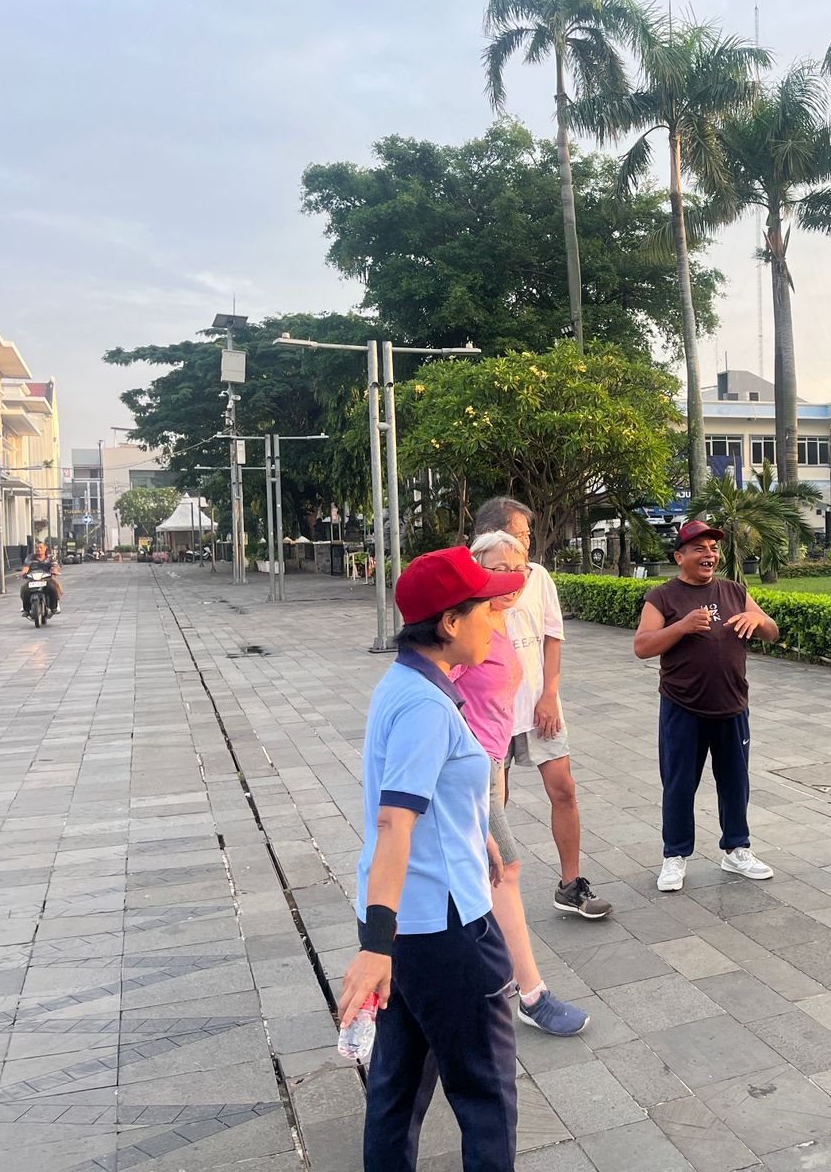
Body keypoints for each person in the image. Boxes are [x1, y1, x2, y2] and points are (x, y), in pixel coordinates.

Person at [337, 545, 528, 1172]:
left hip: (410, 926)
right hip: (446, 931)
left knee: (396, 1090)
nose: (496, 622)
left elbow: (429, 794)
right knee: (486, 1095)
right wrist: (375, 948)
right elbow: (395, 820)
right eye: (486, 610)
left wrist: (478, 835)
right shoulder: (425, 705)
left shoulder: (408, 682)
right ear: (449, 622)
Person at [450, 530, 590, 1037]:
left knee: (472, 874)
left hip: (484, 765)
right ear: (475, 568)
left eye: (521, 568)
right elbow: (432, 683)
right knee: (503, 868)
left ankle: (471, 976)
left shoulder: (499, 618)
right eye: (501, 568)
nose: (514, 578)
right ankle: (530, 992)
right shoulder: (465, 626)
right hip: (465, 769)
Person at [473, 497, 611, 921]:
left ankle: (571, 885)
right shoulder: (472, 582)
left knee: (563, 789)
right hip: (488, 715)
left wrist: (549, 694)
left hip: (538, 708)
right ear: (491, 536)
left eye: (528, 535)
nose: (527, 541)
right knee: (493, 805)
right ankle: (483, 895)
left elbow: (552, 638)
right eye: (520, 533)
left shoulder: (537, 577)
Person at [633, 519, 780, 892]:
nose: (709, 554)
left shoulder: (734, 590)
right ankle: (675, 855)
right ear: (679, 557)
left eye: (713, 548)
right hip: (683, 706)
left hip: (732, 704)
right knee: (679, 784)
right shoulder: (662, 596)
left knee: (735, 783)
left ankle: (737, 849)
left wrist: (758, 618)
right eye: (699, 548)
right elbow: (642, 646)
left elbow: (772, 631)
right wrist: (681, 627)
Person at [19, 540, 61, 617]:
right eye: (37, 548)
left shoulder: (50, 557)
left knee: (52, 588)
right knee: (24, 589)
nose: (39, 549)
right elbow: (25, 568)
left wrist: (55, 571)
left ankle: (53, 607)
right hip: (32, 579)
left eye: (41, 547)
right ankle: (26, 609)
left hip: (46, 578)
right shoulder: (30, 557)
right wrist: (23, 573)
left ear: (45, 548)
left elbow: (55, 566)